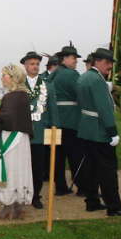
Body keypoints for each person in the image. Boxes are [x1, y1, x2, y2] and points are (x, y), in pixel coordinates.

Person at [77, 48, 121, 217]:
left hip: (87, 130)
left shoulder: (85, 77)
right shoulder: (97, 80)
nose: (110, 67)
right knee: (108, 171)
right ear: (99, 61)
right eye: (108, 63)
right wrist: (112, 131)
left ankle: (92, 201)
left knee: (92, 169)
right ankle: (114, 206)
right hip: (99, 131)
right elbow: (104, 109)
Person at [0, 64, 34, 220]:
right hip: (21, 139)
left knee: (9, 169)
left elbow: (7, 119)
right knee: (19, 169)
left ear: (12, 78)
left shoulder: (10, 97)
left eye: (4, 75)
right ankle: (17, 204)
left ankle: (9, 204)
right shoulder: (23, 95)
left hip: (10, 139)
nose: (2, 78)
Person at [20, 51, 59, 209]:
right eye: (32, 64)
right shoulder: (19, 84)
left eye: (37, 64)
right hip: (22, 133)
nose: (35, 67)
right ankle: (22, 194)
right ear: (25, 65)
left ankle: (36, 195)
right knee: (22, 166)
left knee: (38, 167)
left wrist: (54, 134)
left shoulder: (47, 84)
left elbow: (53, 110)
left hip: (40, 134)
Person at [48, 43, 83, 196]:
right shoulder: (72, 74)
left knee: (57, 157)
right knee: (75, 155)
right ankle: (82, 187)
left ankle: (60, 187)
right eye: (73, 58)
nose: (76, 61)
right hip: (70, 120)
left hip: (53, 121)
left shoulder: (52, 74)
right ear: (64, 59)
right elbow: (81, 94)